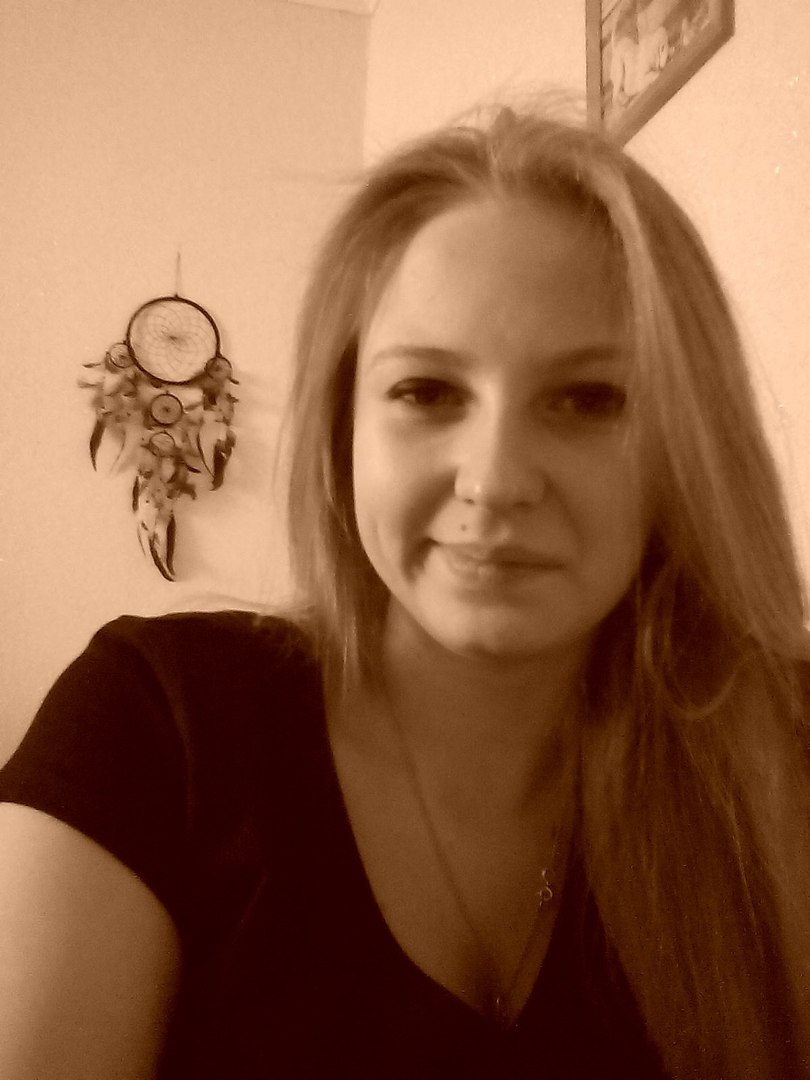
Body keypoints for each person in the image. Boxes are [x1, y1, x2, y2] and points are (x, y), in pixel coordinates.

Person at [0, 102, 808, 1080]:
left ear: (690, 447)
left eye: (590, 399)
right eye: (426, 392)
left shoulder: (776, 760)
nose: (495, 480)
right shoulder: (150, 727)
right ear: (343, 432)